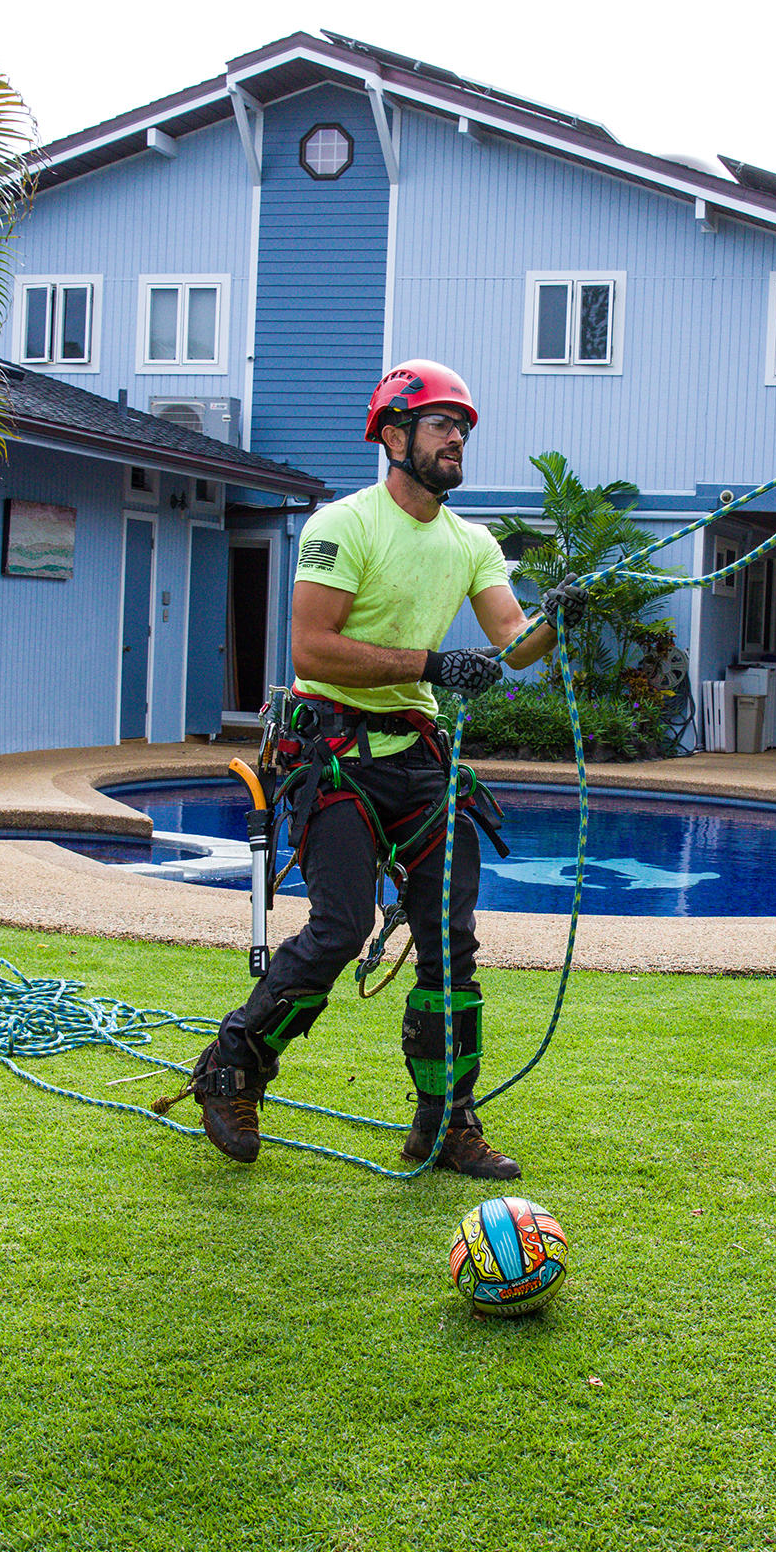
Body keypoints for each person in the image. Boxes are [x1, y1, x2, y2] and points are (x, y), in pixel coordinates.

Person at [186, 359, 585, 1179]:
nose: (457, 436)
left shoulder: (473, 542)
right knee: (340, 930)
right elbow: (312, 646)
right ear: (395, 437)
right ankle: (230, 1071)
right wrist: (431, 664)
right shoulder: (344, 525)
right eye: (441, 423)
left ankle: (444, 1125)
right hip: (333, 754)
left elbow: (512, 647)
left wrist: (557, 620)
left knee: (451, 941)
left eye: (463, 426)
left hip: (421, 761)